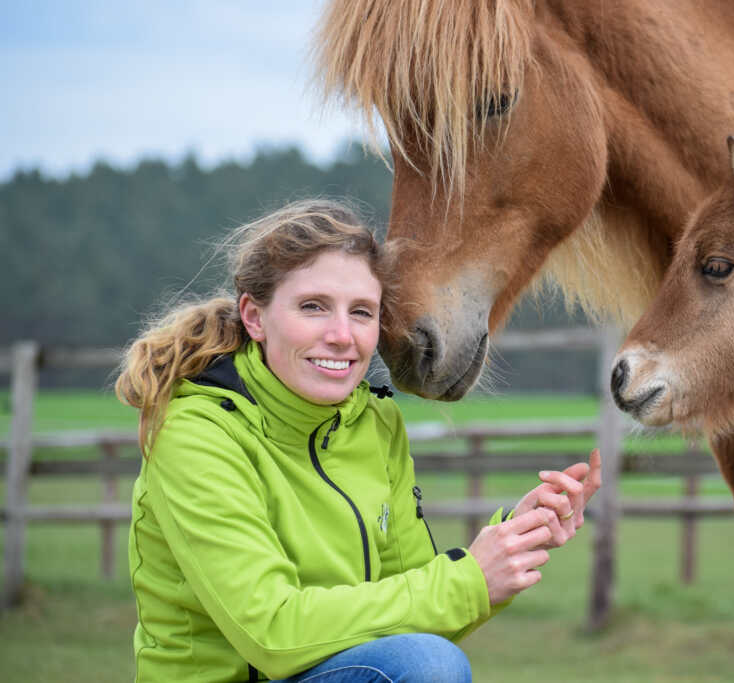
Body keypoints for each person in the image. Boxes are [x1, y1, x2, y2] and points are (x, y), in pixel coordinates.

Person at [116, 199, 601, 683]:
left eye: (363, 312)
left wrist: (511, 543)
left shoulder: (376, 423)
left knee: (428, 658)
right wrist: (470, 577)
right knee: (430, 665)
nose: (343, 336)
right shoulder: (197, 434)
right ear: (254, 316)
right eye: (313, 307)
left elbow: (416, 612)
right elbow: (272, 632)